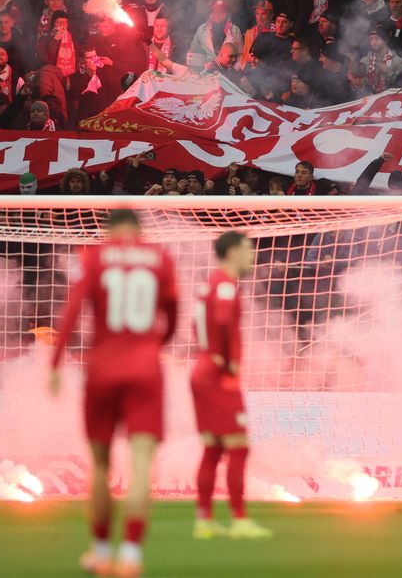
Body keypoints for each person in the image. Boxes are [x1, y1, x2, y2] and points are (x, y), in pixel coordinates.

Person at [49, 209, 179, 576]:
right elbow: (174, 313)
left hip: (102, 369)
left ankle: (101, 551)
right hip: (145, 370)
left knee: (101, 466)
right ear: (140, 231)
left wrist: (54, 364)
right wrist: (155, 346)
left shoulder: (94, 256)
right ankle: (132, 556)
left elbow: (72, 310)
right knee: (141, 469)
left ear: (108, 230)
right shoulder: (161, 257)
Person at [190, 231, 274, 541]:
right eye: (248, 249)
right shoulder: (225, 286)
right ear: (232, 252)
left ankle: (205, 520)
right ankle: (239, 520)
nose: (252, 256)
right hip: (218, 374)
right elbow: (224, 320)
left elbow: (197, 324)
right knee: (239, 447)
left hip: (202, 369)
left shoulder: (208, 285)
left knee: (213, 448)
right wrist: (229, 360)